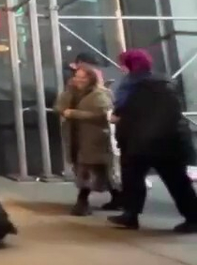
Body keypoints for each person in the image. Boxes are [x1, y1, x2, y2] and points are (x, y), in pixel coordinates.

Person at [108, 49, 197, 233]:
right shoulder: (152, 83)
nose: (121, 68)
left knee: (163, 180)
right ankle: (131, 215)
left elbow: (143, 113)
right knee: (169, 181)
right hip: (154, 141)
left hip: (151, 142)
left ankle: (132, 216)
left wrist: (121, 118)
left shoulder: (142, 85)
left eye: (124, 64)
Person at [55, 63, 117, 216]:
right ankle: (118, 197)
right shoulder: (70, 92)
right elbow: (60, 107)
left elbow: (103, 115)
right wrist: (65, 110)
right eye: (77, 76)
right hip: (76, 137)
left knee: (88, 170)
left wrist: (74, 113)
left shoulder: (100, 94)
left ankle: (82, 202)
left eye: (83, 77)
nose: (79, 80)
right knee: (97, 171)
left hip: (95, 138)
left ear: (91, 78)